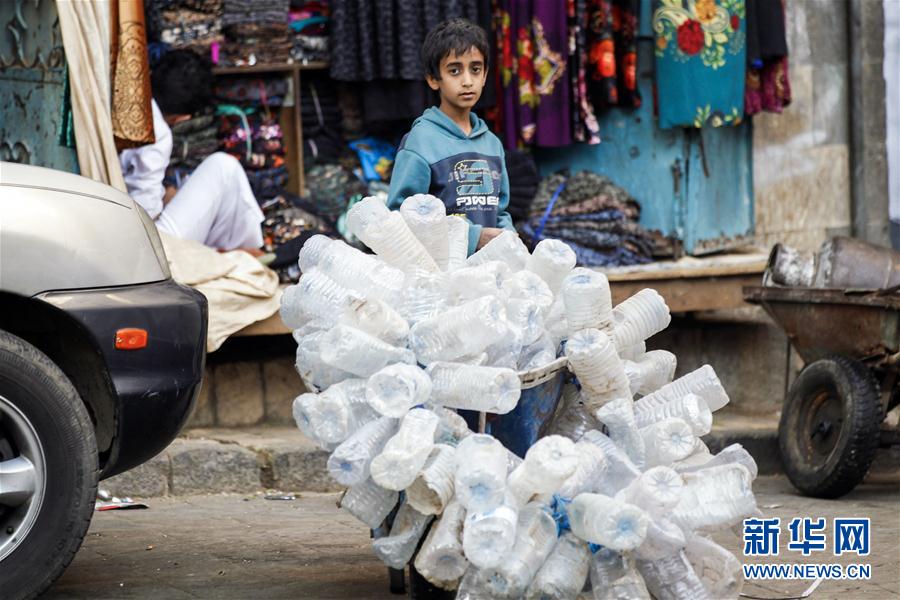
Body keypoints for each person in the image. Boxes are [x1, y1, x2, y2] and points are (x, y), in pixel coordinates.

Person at [387, 18, 514, 255]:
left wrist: (510, 238)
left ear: (485, 75)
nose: (467, 81)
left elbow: (501, 211)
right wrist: (473, 237)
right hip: (440, 275)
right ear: (433, 79)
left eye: (475, 69)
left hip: (487, 274)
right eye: (454, 70)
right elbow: (402, 217)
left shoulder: (492, 144)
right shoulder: (421, 142)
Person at [119, 50, 264, 253]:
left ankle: (235, 252)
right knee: (224, 167)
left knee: (180, 191)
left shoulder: (124, 99)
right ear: (184, 118)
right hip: (146, 250)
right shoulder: (157, 133)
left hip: (120, 230)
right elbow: (145, 210)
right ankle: (248, 254)